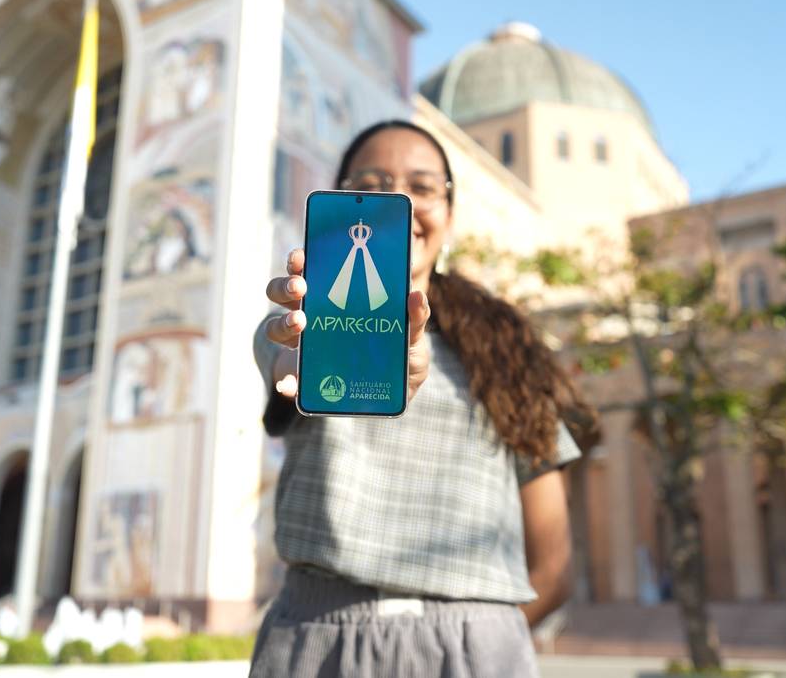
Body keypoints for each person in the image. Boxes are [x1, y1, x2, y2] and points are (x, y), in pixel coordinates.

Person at [251, 120, 593, 677]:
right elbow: (285, 361)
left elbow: (553, 565)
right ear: (339, 204)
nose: (400, 201)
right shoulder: (299, 323)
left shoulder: (511, 354)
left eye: (422, 186)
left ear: (449, 216)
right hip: (317, 643)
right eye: (371, 185)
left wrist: (484, 640)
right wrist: (303, 357)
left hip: (474, 648)